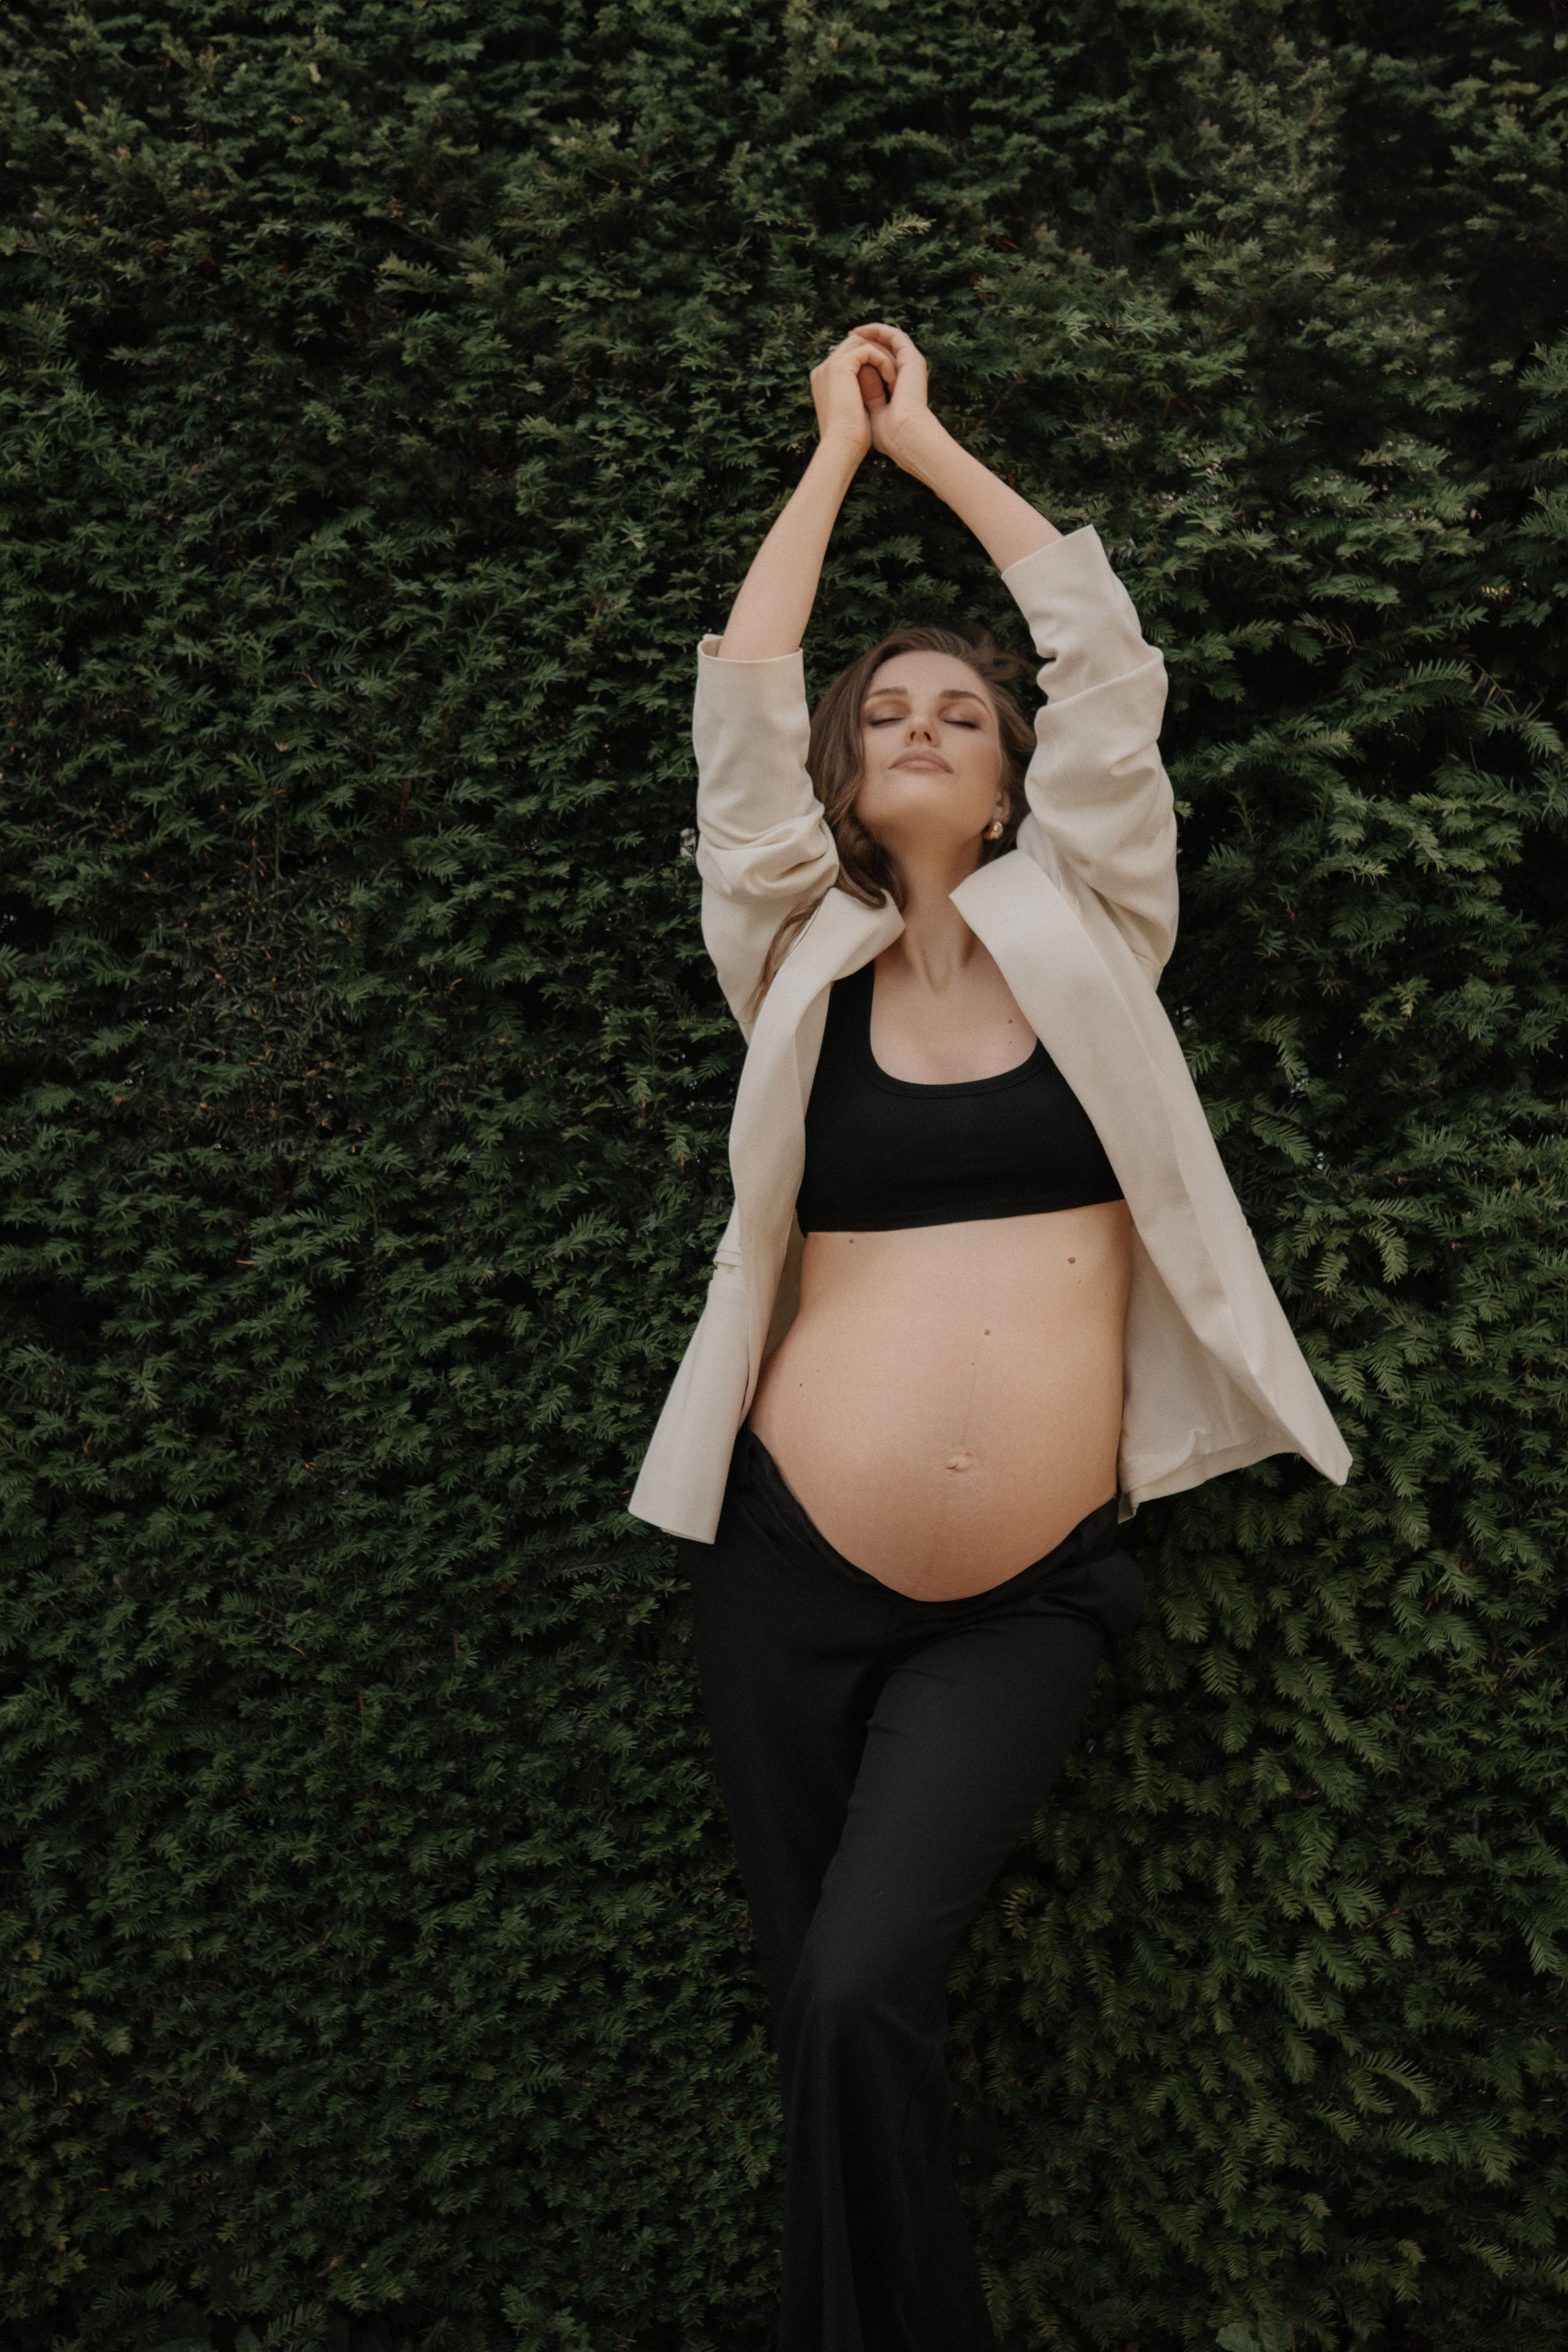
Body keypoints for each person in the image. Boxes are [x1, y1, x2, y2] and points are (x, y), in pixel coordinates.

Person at [629, 323, 1350, 2352]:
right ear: (855, 773)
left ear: (1019, 772)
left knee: (861, 1982)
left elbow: (1109, 664)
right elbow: (741, 712)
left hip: (1023, 1593)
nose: (930, 721)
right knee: (825, 2016)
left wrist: (928, 444)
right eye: (896, 712)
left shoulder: (1095, 925)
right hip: (783, 1575)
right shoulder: (796, 950)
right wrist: (821, 466)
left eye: (968, 709)